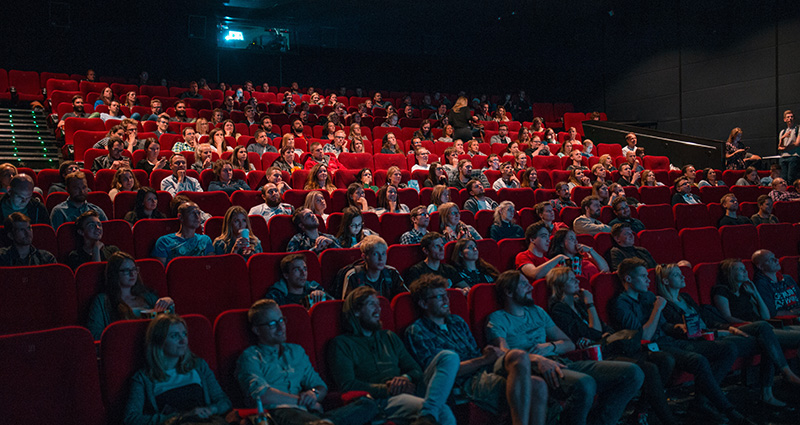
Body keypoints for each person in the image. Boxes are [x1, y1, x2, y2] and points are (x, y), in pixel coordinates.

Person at [487, 270, 644, 425]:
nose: (531, 288)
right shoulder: (498, 319)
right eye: (523, 284)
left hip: (560, 361)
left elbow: (568, 343)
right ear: (508, 291)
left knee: (633, 373)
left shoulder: (537, 312)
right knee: (585, 383)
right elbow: (504, 354)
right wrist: (537, 358)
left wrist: (549, 347)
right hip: (533, 369)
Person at [610, 258, 755, 425]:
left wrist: (679, 327)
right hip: (652, 348)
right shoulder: (621, 304)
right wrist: (657, 309)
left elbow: (664, 326)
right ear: (628, 279)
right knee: (698, 360)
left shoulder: (648, 296)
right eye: (643, 277)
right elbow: (644, 337)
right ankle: (730, 411)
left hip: (670, 341)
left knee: (727, 348)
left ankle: (701, 402)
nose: (648, 280)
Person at [405, 275, 548, 425]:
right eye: (439, 297)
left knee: (520, 359)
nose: (446, 300)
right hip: (464, 382)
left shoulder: (457, 322)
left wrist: (488, 355)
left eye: (446, 295)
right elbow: (440, 374)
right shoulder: (418, 331)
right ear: (423, 303)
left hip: (484, 370)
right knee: (536, 386)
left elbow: (475, 353)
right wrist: (484, 359)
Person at [656, 262, 800, 408]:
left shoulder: (685, 298)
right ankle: (776, 384)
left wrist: (730, 328)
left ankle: (777, 383)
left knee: (765, 332)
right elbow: (685, 332)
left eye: (681, 273)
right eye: (676, 274)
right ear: (665, 281)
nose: (682, 276)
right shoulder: (664, 305)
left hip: (720, 332)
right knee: (766, 337)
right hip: (708, 339)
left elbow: (708, 320)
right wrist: (723, 331)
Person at [547, 267, 677, 425]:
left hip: (610, 347)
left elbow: (604, 329)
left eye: (576, 278)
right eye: (571, 279)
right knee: (649, 369)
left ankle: (642, 412)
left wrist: (602, 333)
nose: (577, 281)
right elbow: (595, 331)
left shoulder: (579, 304)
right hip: (597, 355)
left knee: (663, 359)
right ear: (559, 285)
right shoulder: (559, 309)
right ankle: (667, 420)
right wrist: (591, 305)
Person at [329, 286, 456, 425]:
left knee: (448, 356)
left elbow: (415, 370)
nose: (378, 310)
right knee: (443, 413)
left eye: (378, 305)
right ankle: (428, 413)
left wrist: (404, 378)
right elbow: (348, 384)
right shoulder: (341, 344)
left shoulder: (389, 336)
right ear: (356, 311)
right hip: (383, 399)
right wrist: (387, 389)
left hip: (410, 388)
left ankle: (427, 415)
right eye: (372, 304)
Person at [236, 299, 379, 423]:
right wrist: (300, 401)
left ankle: (323, 423)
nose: (281, 327)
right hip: (278, 414)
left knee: (367, 404)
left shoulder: (296, 351)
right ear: (256, 330)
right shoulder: (250, 357)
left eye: (281, 320)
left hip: (309, 414)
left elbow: (320, 386)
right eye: (272, 324)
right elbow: (262, 395)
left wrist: (313, 394)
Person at [124, 314, 231, 425]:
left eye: (184, 334)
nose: (183, 340)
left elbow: (224, 401)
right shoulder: (143, 378)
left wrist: (211, 410)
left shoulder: (198, 365)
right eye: (175, 336)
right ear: (159, 341)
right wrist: (180, 417)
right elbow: (131, 419)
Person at [86, 251, 174, 340]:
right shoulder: (102, 301)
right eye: (126, 271)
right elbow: (95, 334)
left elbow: (168, 326)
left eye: (134, 269)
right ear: (115, 274)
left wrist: (169, 304)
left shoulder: (148, 297)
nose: (132, 274)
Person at [341, 235, 406, 299]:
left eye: (383, 254)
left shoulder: (391, 273)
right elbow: (348, 306)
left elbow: (404, 298)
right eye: (376, 254)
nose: (381, 258)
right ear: (364, 257)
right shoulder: (354, 276)